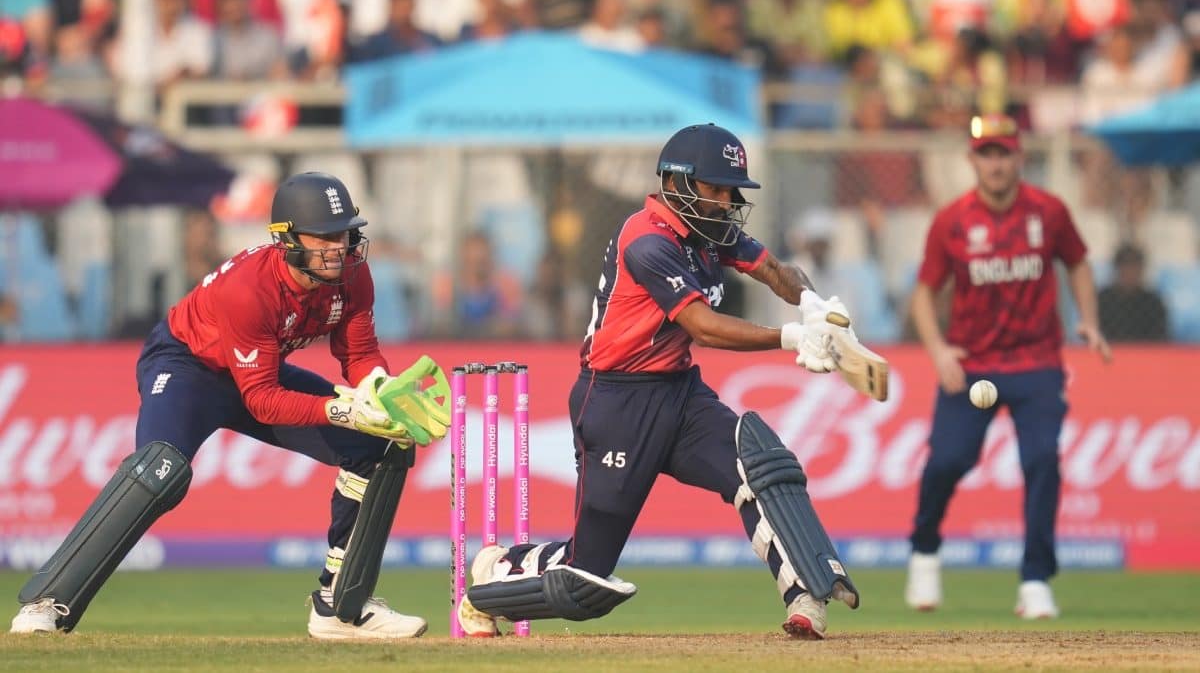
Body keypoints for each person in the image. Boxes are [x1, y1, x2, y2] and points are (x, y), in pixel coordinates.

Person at [457, 123, 864, 640]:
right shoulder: (647, 240)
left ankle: (805, 594)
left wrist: (815, 306)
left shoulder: (711, 231)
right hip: (616, 402)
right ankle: (491, 586)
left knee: (759, 465)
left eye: (730, 191)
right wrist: (792, 337)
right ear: (678, 184)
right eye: (714, 189)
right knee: (587, 579)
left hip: (678, 391)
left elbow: (778, 271)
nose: (725, 202)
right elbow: (702, 326)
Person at [10, 172, 451, 638]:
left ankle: (342, 607)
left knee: (380, 446)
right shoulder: (249, 289)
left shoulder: (353, 276)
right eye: (322, 237)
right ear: (286, 239)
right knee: (159, 471)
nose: (337, 248)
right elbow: (262, 402)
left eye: (342, 234)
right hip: (188, 368)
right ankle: (45, 604)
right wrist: (344, 410)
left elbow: (359, 355)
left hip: (256, 368)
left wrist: (378, 392)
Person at [905, 114, 1112, 619]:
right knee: (947, 462)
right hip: (971, 362)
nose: (995, 164)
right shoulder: (952, 220)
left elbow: (1078, 262)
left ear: (1021, 157)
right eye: (985, 154)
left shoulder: (1049, 211)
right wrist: (937, 350)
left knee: (1042, 461)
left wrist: (1088, 320)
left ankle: (1036, 580)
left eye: (1004, 154)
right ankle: (925, 550)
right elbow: (924, 293)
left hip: (1037, 361)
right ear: (971, 160)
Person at [1098, 243, 1169, 342]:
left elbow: (1161, 339)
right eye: (1125, 265)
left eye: (1134, 266)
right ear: (1117, 268)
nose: (1130, 271)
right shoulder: (1103, 300)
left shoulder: (1153, 303)